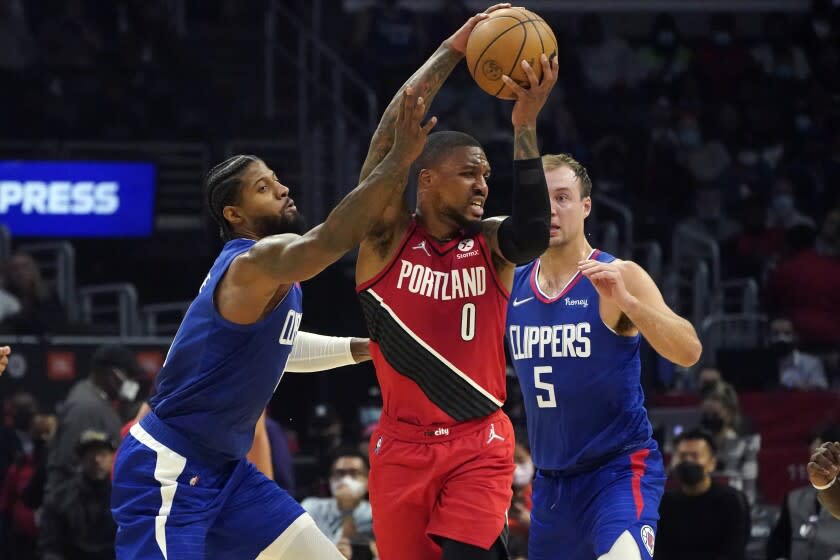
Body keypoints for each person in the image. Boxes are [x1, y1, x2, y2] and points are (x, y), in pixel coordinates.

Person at [110, 83, 435, 560]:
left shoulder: (276, 275)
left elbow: (281, 347)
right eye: (263, 187)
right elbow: (332, 238)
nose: (282, 188)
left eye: (276, 178)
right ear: (234, 213)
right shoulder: (251, 263)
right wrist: (397, 163)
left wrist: (360, 348)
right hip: (168, 468)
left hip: (226, 473)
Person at [354, 3, 556, 558]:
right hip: (400, 449)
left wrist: (525, 126)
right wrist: (452, 49)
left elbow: (535, 233)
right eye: (469, 172)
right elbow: (382, 151)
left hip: (480, 442)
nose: (482, 185)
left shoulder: (490, 244)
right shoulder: (385, 241)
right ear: (424, 178)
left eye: (487, 175)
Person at [505, 153, 702, 560]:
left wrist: (629, 302)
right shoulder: (512, 284)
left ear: (586, 206)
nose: (552, 210)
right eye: (543, 199)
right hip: (551, 484)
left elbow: (689, 350)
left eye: (563, 197)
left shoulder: (618, 274)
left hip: (617, 469)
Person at [45, 344, 140, 499]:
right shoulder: (86, 406)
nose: (132, 383)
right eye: (129, 375)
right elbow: (68, 463)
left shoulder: (99, 402)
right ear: (110, 374)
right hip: (77, 509)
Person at [656, 429, 750, 560]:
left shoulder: (732, 501)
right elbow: (659, 551)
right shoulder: (664, 503)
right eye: (682, 456)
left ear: (712, 463)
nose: (687, 461)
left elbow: (734, 551)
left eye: (695, 456)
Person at [39, 430, 117, 560]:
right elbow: (51, 545)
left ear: (112, 458)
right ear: (81, 459)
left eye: (102, 454)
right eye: (91, 454)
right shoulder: (61, 497)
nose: (97, 460)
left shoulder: (123, 499)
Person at [767, 425, 840, 560]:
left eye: (823, 449)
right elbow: (777, 544)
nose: (816, 454)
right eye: (814, 447)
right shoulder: (794, 498)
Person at [301, 448, 373, 548]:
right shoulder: (312, 507)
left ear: (368, 481)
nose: (346, 480)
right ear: (330, 479)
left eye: (354, 473)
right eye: (340, 473)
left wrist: (347, 512)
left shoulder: (374, 515)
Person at [768, 316, 828, 390]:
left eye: (787, 333)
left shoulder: (812, 363)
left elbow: (821, 391)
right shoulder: (761, 364)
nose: (781, 338)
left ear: (795, 336)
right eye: (775, 334)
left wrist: (801, 388)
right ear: (768, 336)